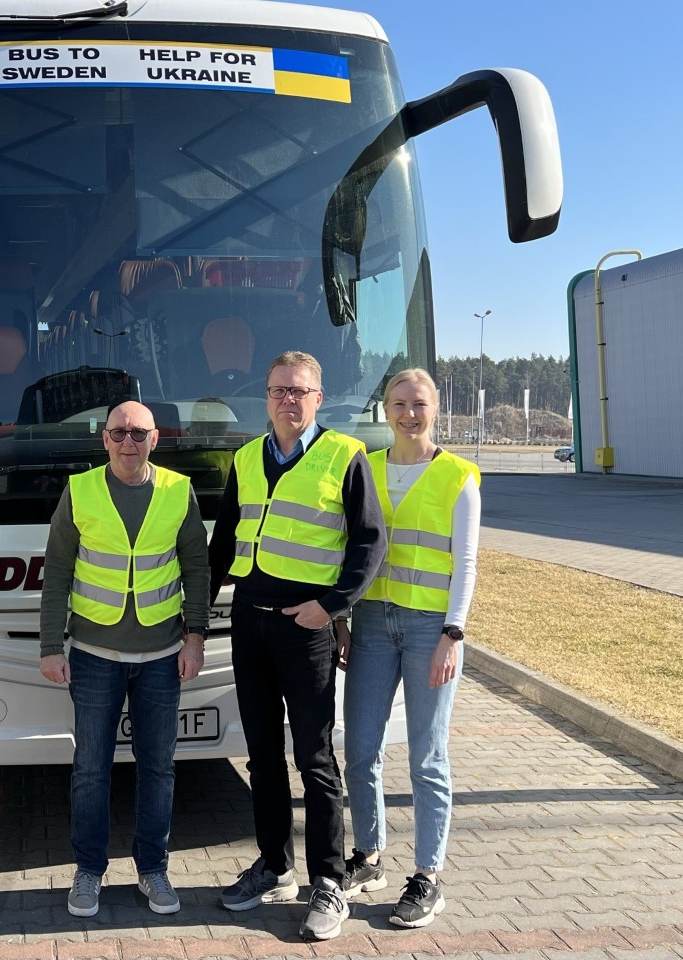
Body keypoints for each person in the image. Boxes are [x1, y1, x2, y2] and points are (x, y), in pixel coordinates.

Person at [208, 350, 386, 942]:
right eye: (279, 390)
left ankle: (328, 881)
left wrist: (333, 607)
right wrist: (196, 613)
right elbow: (224, 539)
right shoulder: (245, 459)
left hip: (305, 628)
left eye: (300, 391)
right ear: (267, 397)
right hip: (248, 624)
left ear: (318, 398)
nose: (289, 399)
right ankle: (275, 865)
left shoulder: (344, 455)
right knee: (260, 754)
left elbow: (369, 542)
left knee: (314, 757)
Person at [38, 401, 210, 919]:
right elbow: (57, 572)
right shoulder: (81, 490)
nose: (128, 442)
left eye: (138, 433)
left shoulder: (179, 491)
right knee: (90, 769)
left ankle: (152, 869)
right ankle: (88, 870)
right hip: (93, 654)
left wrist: (196, 637)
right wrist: (51, 646)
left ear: (155, 439)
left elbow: (196, 566)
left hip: (162, 654)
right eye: (118, 433)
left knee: (158, 768)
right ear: (104, 438)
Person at [341, 368, 481, 928]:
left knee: (427, 758)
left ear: (435, 410)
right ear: (385, 409)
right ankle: (368, 856)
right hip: (373, 622)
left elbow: (466, 562)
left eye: (418, 404)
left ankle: (427, 876)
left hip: (431, 631)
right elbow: (348, 551)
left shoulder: (458, 476)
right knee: (360, 749)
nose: (407, 414)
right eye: (398, 403)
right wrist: (342, 620)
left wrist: (454, 633)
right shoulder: (367, 469)